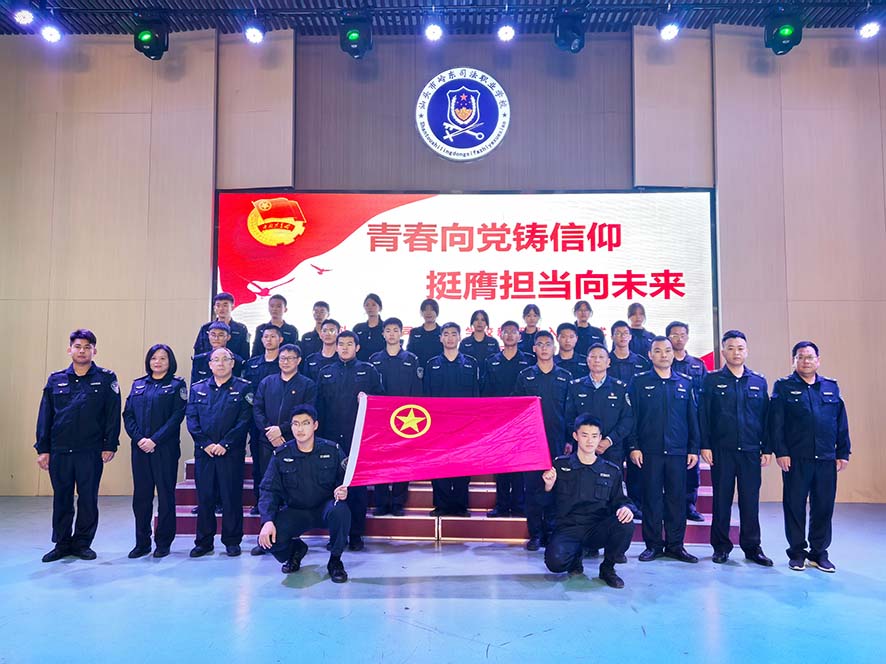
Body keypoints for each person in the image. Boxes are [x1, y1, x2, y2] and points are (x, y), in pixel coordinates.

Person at [36, 329, 121, 562]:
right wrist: (43, 449)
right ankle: (62, 543)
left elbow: (112, 414)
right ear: (69, 349)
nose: (82, 351)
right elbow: (45, 415)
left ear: (94, 351)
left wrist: (110, 444)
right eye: (77, 346)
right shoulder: (56, 379)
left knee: (88, 498)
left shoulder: (106, 378)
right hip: (60, 449)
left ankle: (83, 543)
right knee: (61, 498)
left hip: (90, 450)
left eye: (87, 347)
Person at [769, 341, 850, 573]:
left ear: (818, 360)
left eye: (810, 357)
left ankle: (818, 553)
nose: (806, 361)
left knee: (823, 506)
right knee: (794, 505)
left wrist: (843, 452)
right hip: (796, 458)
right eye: (801, 357)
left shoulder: (830, 387)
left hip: (825, 458)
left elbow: (841, 422)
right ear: (793, 361)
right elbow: (776, 423)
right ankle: (797, 553)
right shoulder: (784, 386)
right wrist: (781, 452)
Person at [699, 330, 773, 566]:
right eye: (730, 348)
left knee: (750, 501)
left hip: (751, 451)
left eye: (740, 348)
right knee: (722, 500)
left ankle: (752, 547)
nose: (736, 352)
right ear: (723, 352)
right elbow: (704, 415)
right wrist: (705, 445)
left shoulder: (758, 381)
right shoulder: (712, 380)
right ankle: (721, 547)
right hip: (722, 450)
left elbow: (766, 417)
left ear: (747, 351)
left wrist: (767, 448)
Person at [257, 406, 350, 583]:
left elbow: (346, 479)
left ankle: (335, 561)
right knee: (267, 541)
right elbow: (268, 489)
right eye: (296, 424)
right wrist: (267, 521)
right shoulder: (281, 454)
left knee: (341, 511)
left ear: (315, 425)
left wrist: (344, 490)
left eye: (305, 423)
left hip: (325, 509)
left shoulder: (332, 450)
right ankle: (296, 551)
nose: (300, 429)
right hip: (296, 511)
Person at [629, 336, 700, 564]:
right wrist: (634, 446)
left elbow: (692, 417)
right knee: (651, 499)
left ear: (673, 354)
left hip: (678, 451)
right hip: (649, 451)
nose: (663, 355)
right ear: (650, 355)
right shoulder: (639, 382)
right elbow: (632, 417)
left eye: (667, 351)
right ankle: (653, 545)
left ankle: (676, 545)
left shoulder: (685, 382)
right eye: (658, 351)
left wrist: (693, 448)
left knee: (676, 500)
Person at [543, 415, 634, 588]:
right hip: (568, 528)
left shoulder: (611, 470)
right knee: (555, 563)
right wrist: (548, 485)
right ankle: (574, 558)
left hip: (597, 528)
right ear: (575, 436)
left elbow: (622, 500)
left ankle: (608, 568)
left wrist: (626, 508)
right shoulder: (560, 465)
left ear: (600, 438)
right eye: (584, 435)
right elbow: (546, 502)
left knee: (626, 523)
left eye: (594, 436)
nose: (590, 441)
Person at [316, 331, 384, 550]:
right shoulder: (326, 372)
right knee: (333, 487)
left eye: (349, 344)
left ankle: (356, 535)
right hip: (331, 439)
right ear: (336, 347)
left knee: (357, 490)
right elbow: (319, 407)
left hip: (358, 438)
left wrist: (369, 399)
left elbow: (380, 402)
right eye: (341, 344)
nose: (344, 347)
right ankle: (336, 536)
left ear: (357, 347)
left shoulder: (368, 371)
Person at [185, 347, 254, 558]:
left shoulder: (243, 388)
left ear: (232, 363)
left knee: (231, 497)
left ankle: (232, 541)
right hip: (204, 453)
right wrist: (205, 443)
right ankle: (204, 542)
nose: (221, 363)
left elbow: (244, 420)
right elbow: (192, 419)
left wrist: (225, 444)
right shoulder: (198, 388)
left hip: (230, 453)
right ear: (210, 364)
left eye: (225, 359)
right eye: (216, 359)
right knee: (205, 498)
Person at [250, 343, 317, 555]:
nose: (285, 362)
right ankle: (265, 538)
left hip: (293, 444)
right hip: (266, 443)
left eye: (290, 358)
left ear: (299, 361)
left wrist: (282, 430)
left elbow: (308, 413)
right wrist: (270, 432)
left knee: (291, 492)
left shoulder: (307, 385)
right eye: (282, 358)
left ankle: (288, 538)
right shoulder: (267, 382)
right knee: (267, 488)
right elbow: (257, 409)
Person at [122, 344, 187, 559]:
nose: (157, 362)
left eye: (162, 358)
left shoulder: (177, 385)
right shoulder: (138, 384)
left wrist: (154, 440)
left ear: (170, 362)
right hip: (140, 449)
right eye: (153, 358)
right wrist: (140, 439)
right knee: (141, 497)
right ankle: (142, 542)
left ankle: (163, 542)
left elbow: (176, 417)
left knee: (166, 496)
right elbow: (128, 415)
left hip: (164, 449)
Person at [514, 330, 572, 551]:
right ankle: (536, 534)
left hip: (558, 440)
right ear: (534, 348)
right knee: (533, 489)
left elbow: (570, 410)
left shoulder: (565, 376)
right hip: (531, 441)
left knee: (557, 487)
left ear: (554, 348)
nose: (545, 348)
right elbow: (517, 408)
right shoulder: (525, 375)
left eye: (548, 344)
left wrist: (569, 438)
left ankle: (551, 532)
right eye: (540, 344)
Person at [424, 322, 480, 517]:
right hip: (438, 424)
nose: (450, 337)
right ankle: (441, 505)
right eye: (446, 334)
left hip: (463, 424)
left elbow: (475, 395)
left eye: (453, 334)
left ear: (459, 338)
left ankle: (460, 505)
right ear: (440, 338)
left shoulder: (470, 363)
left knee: (462, 464)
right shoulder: (432, 364)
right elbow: (426, 396)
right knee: (438, 464)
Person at [368, 317, 422, 517]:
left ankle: (398, 502)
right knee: (380, 460)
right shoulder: (374, 359)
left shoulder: (411, 359)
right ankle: (382, 502)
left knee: (402, 459)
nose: (391, 334)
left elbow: (417, 391)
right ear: (383, 334)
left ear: (401, 333)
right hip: (381, 419)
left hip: (406, 418)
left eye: (395, 330)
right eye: (388, 330)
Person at [482, 321, 533, 518]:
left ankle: (519, 504)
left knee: (519, 463)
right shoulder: (491, 361)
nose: (510, 335)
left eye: (514, 332)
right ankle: (502, 505)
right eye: (506, 332)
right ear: (500, 335)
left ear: (520, 336)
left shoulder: (528, 360)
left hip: (522, 420)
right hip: (499, 420)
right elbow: (486, 392)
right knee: (501, 463)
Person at [564, 344, 632, 467]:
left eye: (601, 357)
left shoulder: (620, 388)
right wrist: (586, 441)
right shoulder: (575, 387)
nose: (597, 360)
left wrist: (609, 441)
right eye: (593, 357)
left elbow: (627, 419)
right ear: (587, 360)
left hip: (611, 450)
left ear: (608, 362)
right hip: (582, 450)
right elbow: (569, 418)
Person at [668, 321, 708, 523]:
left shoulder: (697, 365)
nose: (679, 338)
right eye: (674, 335)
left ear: (688, 337)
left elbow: (706, 395)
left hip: (693, 421)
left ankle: (689, 505)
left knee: (692, 466)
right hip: (670, 422)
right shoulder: (663, 363)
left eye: (682, 334)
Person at [242, 327, 283, 517]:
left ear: (280, 339)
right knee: (259, 465)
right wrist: (262, 423)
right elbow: (247, 392)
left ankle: (282, 501)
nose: (268, 339)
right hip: (257, 421)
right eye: (265, 336)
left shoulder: (285, 362)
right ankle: (260, 501)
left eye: (273, 336)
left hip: (281, 423)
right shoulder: (252, 364)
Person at [193, 292, 250, 362]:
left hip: (233, 366)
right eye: (218, 305)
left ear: (232, 307)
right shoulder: (205, 328)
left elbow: (245, 354)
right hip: (209, 365)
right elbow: (198, 352)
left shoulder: (241, 329)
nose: (221, 308)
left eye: (225, 305)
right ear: (214, 308)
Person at [608, 319, 651, 388]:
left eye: (626, 333)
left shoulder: (641, 361)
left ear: (630, 337)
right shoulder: (605, 361)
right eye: (618, 333)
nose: (623, 336)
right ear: (612, 337)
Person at [407, 298, 443, 375]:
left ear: (437, 312)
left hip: (439, 372)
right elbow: (409, 353)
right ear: (421, 312)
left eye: (432, 310)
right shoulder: (414, 332)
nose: (428, 313)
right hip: (418, 372)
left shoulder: (443, 332)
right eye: (425, 310)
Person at [353, 293, 385, 362]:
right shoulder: (358, 328)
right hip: (361, 364)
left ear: (380, 307)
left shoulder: (386, 327)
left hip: (381, 364)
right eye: (367, 305)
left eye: (373, 305)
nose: (370, 307)